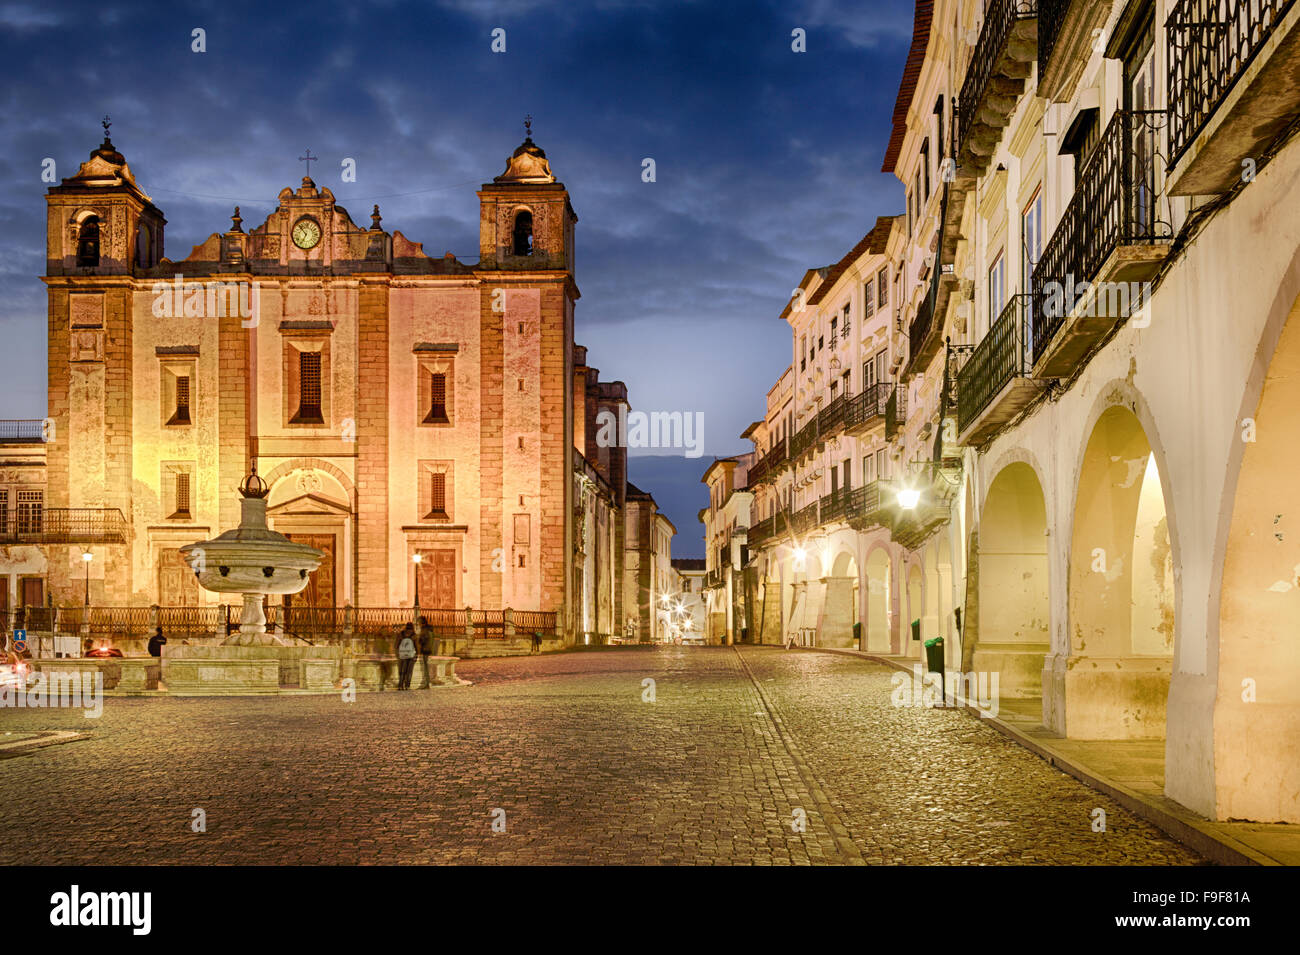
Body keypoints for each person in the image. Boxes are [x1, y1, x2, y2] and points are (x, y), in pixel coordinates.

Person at [395, 623, 417, 690]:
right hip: (411, 655)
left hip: (402, 655)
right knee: (409, 671)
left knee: (402, 671)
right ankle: (407, 686)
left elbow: (396, 645)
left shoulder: (401, 634)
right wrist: (416, 655)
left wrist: (398, 654)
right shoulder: (414, 635)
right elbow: (417, 646)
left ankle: (400, 685)